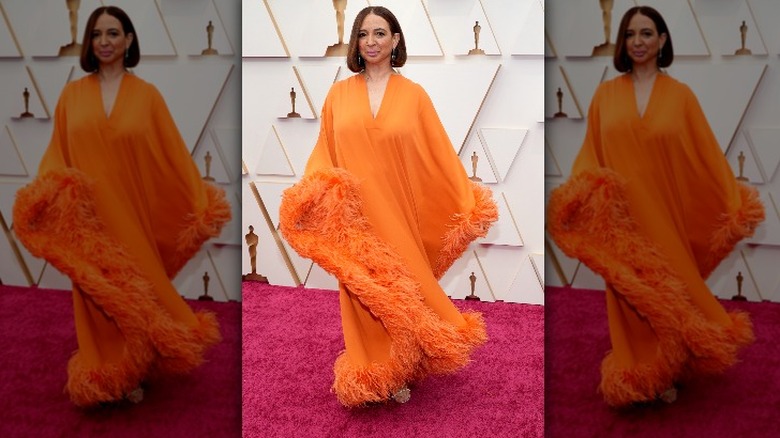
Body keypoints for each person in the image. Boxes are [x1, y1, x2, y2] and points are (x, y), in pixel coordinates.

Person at [278, 6, 497, 407]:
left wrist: (467, 204)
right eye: (363, 34)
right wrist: (310, 197)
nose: (371, 42)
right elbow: (325, 152)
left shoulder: (414, 96)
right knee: (365, 293)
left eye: (380, 33)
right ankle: (373, 369)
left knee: (404, 289)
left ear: (395, 40)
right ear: (355, 42)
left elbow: (437, 155)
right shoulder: (338, 94)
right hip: (355, 221)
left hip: (398, 214)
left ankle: (404, 364)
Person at [12, 6, 230, 407]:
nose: (104, 42)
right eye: (97, 34)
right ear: (89, 42)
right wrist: (45, 200)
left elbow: (171, 156)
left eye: (113, 33)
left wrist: (200, 203)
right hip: (88, 222)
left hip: (132, 216)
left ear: (128, 40)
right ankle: (104, 369)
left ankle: (136, 367)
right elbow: (57, 155)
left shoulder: (147, 96)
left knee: (136, 291)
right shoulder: (71, 95)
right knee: (97, 295)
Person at [547, 6, 764, 407]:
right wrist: (579, 201)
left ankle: (672, 366)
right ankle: (640, 369)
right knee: (632, 296)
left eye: (647, 33)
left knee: (670, 292)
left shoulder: (681, 96)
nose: (638, 42)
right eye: (630, 34)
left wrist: (733, 204)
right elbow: (591, 156)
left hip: (666, 217)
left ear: (662, 40)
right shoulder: (605, 95)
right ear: (622, 42)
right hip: (622, 223)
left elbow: (705, 156)